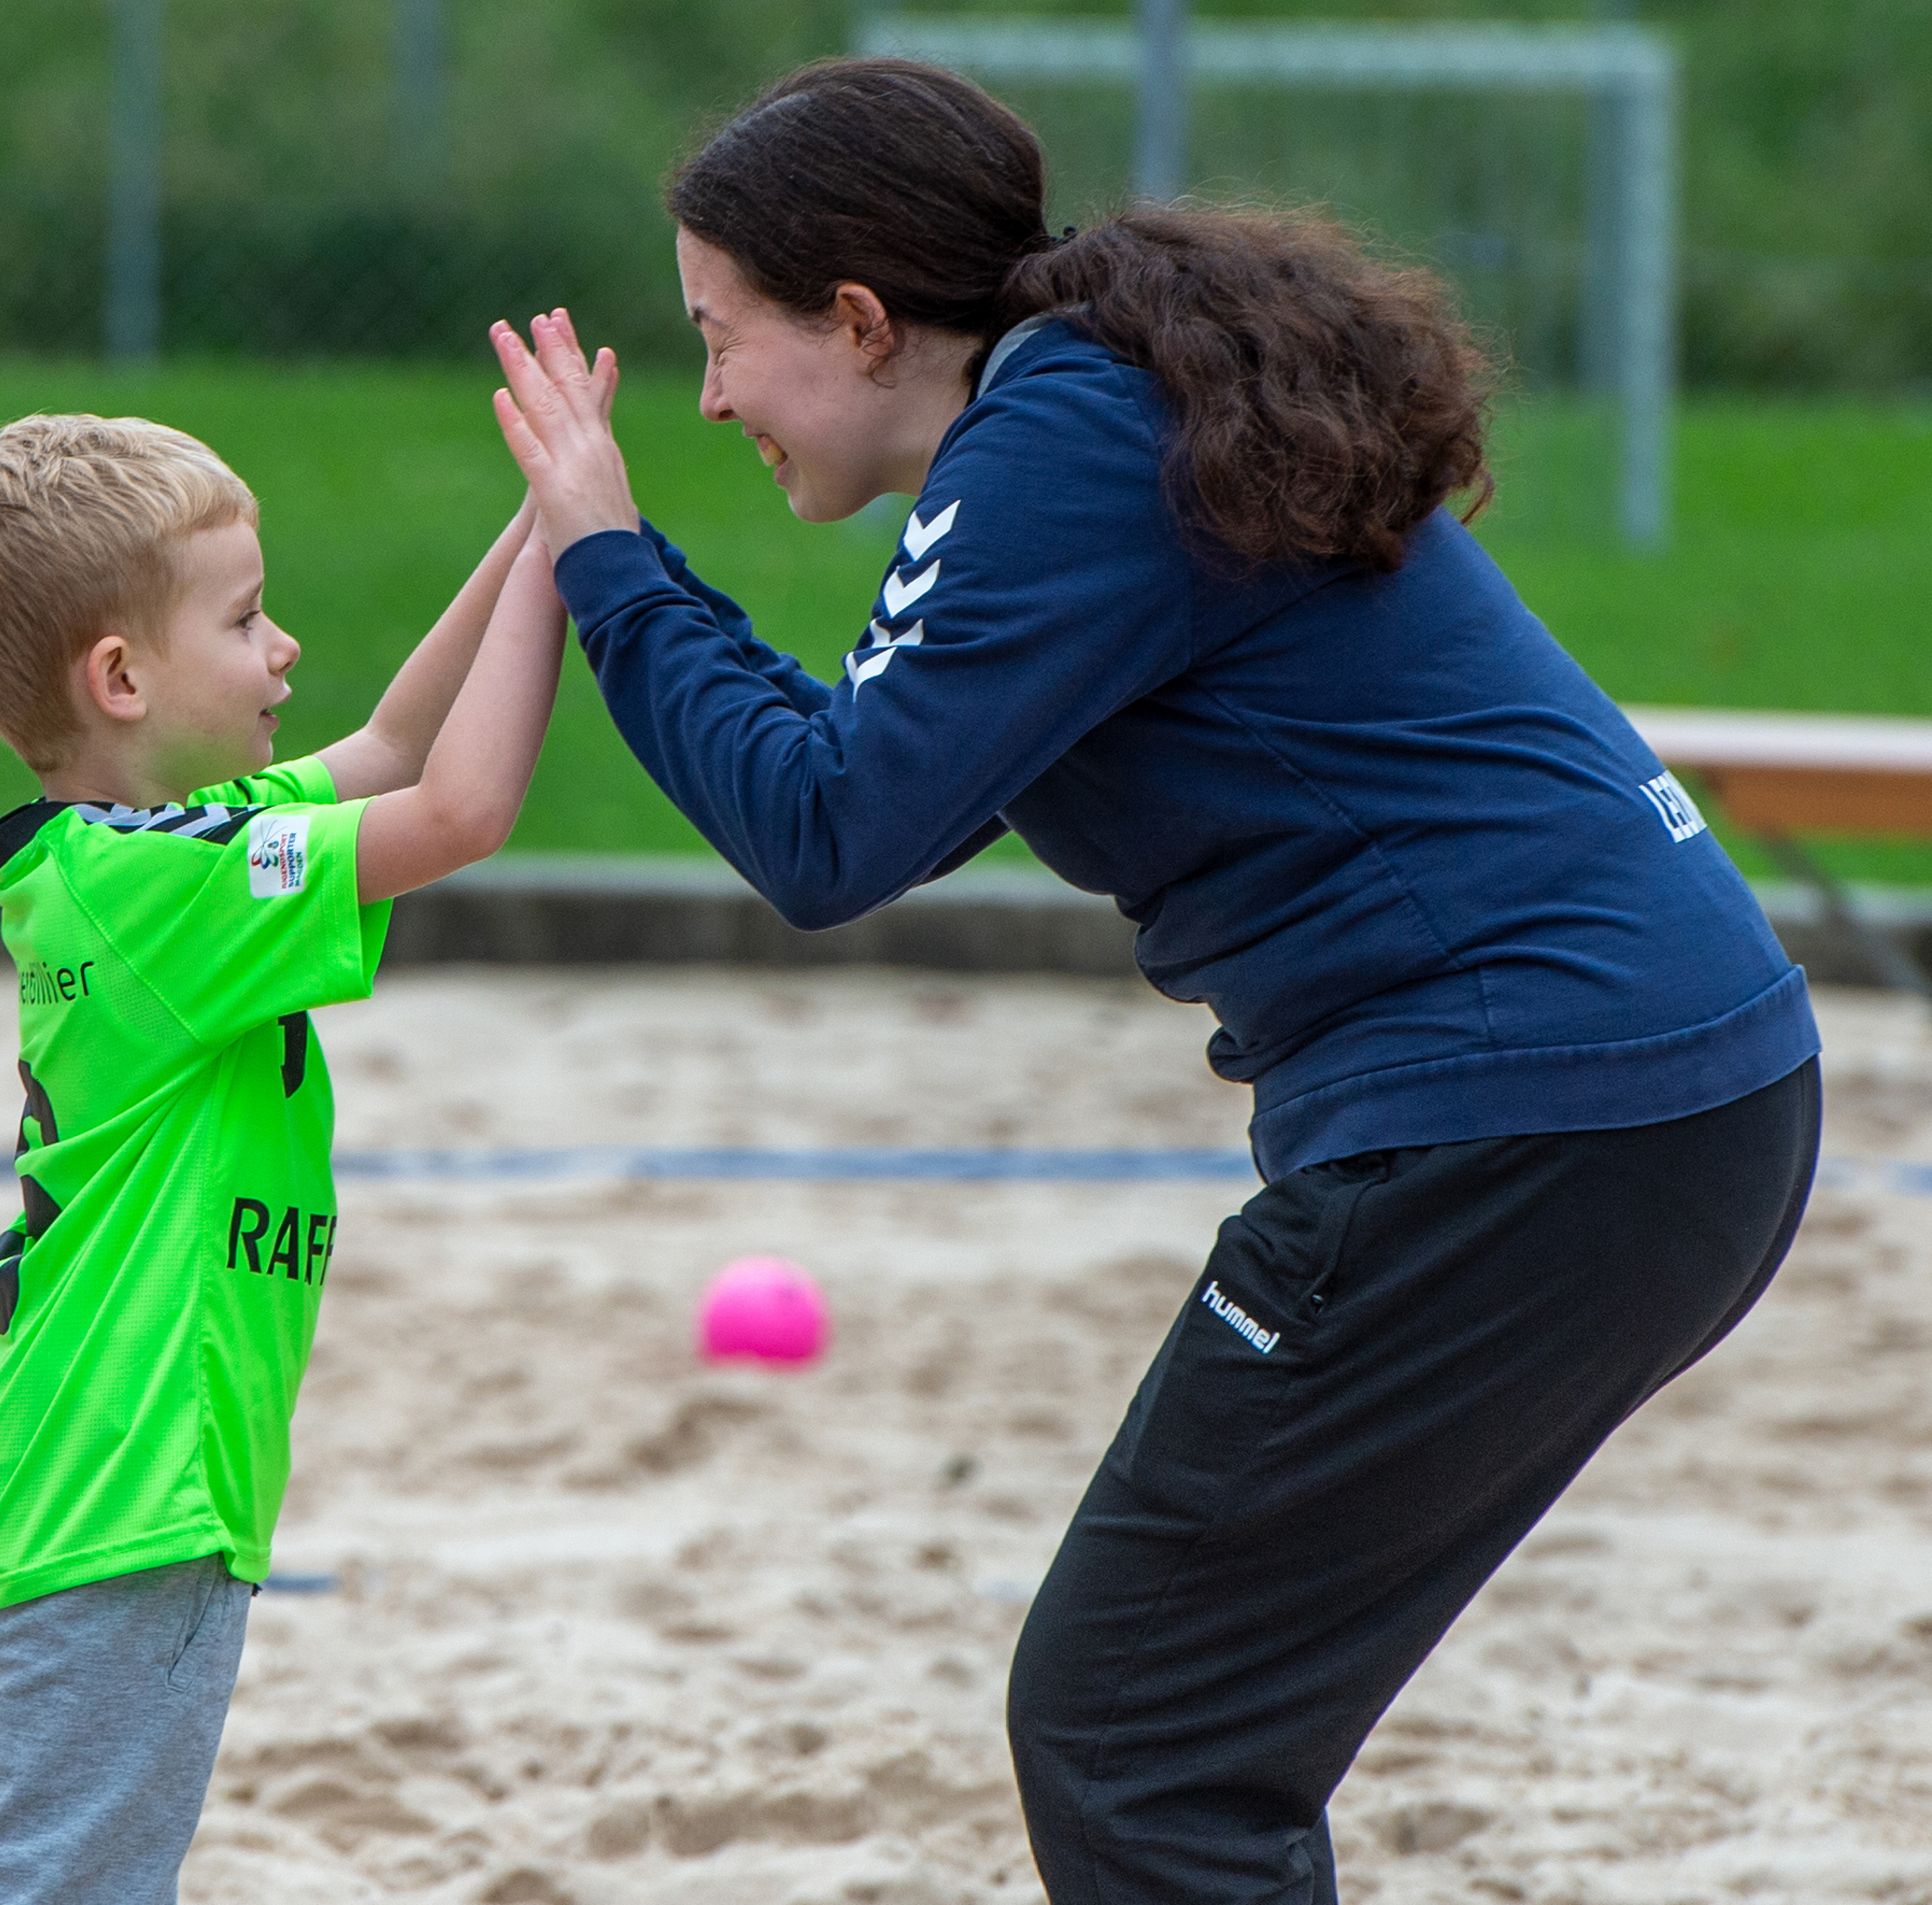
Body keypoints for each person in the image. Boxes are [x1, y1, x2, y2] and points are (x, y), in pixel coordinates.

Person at [488, 57, 1821, 1905]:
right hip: (1647, 1099)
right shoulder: (1081, 417)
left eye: (723, 338)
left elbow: (824, 837)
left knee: (1136, 1732)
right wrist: (631, 571)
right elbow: (871, 788)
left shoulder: (1059, 446)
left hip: (1535, 1118)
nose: (708, 392)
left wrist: (613, 562)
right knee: (1178, 1725)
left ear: (861, 321)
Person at [0, 411, 580, 1904]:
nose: (284, 650)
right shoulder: (154, 887)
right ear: (123, 679)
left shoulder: (166, 844)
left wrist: (546, 524)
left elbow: (400, 743)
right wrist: (574, 552)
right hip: (121, 1488)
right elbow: (459, 807)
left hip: (95, 1480)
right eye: (245, 616)